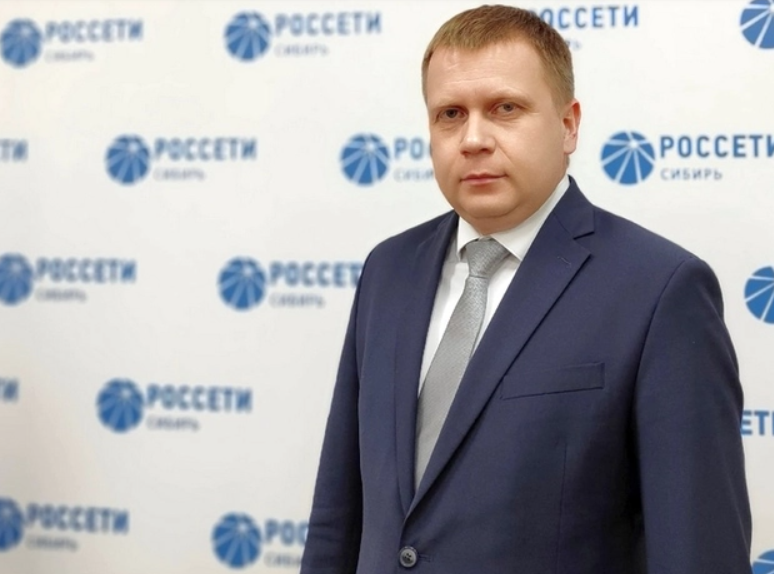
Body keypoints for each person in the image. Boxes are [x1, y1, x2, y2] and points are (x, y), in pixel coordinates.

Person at [301, 5, 751, 573]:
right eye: (450, 114)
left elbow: (698, 551)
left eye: (505, 108)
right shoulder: (388, 270)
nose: (473, 139)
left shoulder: (660, 291)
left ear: (568, 125)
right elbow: (339, 516)